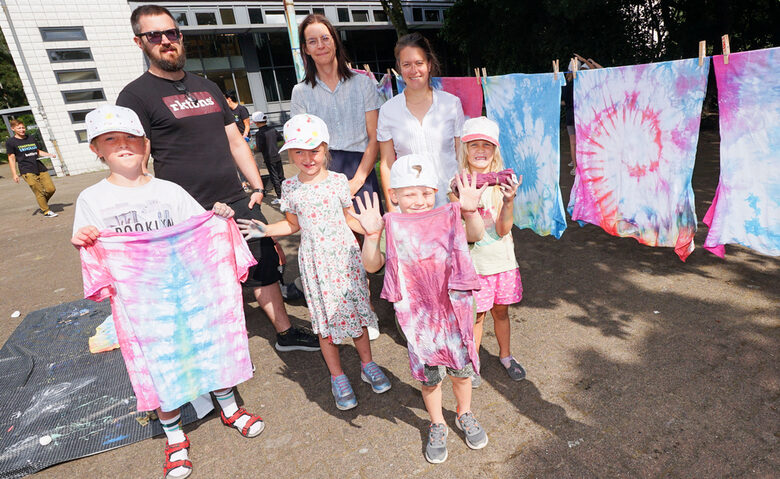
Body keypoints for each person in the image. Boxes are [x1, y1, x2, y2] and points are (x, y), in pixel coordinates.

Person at [71, 104, 264, 479]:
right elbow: (87, 246)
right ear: (97, 149)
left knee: (209, 346)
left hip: (188, 291)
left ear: (145, 145)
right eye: (112, 140)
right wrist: (82, 239)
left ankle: (228, 406)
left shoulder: (168, 190)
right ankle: (174, 436)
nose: (123, 146)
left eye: (131, 138)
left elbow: (198, 227)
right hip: (140, 306)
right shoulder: (92, 200)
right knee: (157, 368)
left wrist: (218, 217)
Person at [117, 4, 318, 352]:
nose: (166, 41)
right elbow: (140, 159)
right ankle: (223, 349)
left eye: (172, 33)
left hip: (237, 197)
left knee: (264, 263)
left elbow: (235, 141)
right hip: (187, 209)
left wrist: (256, 186)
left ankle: (286, 334)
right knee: (204, 279)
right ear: (140, 42)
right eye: (155, 35)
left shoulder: (207, 87)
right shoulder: (135, 96)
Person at [238, 114, 391, 410]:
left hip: (346, 261)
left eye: (314, 150)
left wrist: (372, 228)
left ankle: (368, 364)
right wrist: (267, 230)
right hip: (316, 265)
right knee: (325, 326)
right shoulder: (290, 188)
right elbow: (292, 225)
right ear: (290, 153)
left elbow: (348, 219)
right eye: (299, 151)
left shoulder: (338, 183)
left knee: (358, 317)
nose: (307, 158)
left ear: (326, 149)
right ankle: (337, 377)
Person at [351, 154, 489, 463]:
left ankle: (464, 413)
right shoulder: (393, 226)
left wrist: (470, 210)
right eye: (410, 193)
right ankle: (437, 422)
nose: (419, 200)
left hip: (455, 315)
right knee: (429, 377)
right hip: (418, 319)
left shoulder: (448, 216)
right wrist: (372, 236)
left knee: (460, 371)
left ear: (436, 192)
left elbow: (477, 234)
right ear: (394, 196)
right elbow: (372, 265)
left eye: (426, 192)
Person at [450, 117, 526, 387]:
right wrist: (467, 204)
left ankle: (506, 355)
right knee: (477, 317)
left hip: (502, 264)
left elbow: (504, 229)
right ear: (465, 149)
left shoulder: (504, 183)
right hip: (475, 268)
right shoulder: (456, 186)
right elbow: (472, 235)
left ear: (495, 150)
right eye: (474, 145)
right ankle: (473, 362)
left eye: (487, 145)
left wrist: (508, 201)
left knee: (501, 313)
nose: (480, 151)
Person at [290, 13, 383, 211]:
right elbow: (301, 145)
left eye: (325, 38)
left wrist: (357, 181)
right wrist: (325, 182)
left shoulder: (363, 83)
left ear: (335, 41)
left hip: (361, 168)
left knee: (370, 235)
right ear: (305, 49)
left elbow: (374, 137)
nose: (321, 45)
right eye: (312, 41)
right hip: (321, 173)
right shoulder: (301, 92)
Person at [377, 33, 465, 210]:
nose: (413, 70)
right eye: (406, 64)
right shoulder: (388, 110)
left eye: (419, 63)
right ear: (399, 68)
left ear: (429, 65)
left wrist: (464, 197)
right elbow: (386, 164)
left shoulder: (451, 104)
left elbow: (461, 154)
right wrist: (392, 207)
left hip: (451, 201)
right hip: (411, 206)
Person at [5, 119, 58, 217]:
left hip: (39, 167)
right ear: (13, 129)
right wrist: (14, 174)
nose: (22, 130)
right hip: (26, 169)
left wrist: (49, 154)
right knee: (39, 191)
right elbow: (11, 158)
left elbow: (37, 151)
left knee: (51, 189)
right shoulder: (11, 142)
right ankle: (46, 211)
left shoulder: (31, 138)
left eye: (23, 127)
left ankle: (42, 202)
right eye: (19, 128)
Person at [251, 111, 285, 200]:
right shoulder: (273, 129)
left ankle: (280, 197)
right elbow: (280, 140)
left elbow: (259, 148)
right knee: (281, 176)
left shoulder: (259, 134)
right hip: (277, 155)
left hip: (269, 158)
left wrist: (252, 147)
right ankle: (287, 194)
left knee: (275, 178)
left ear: (256, 123)